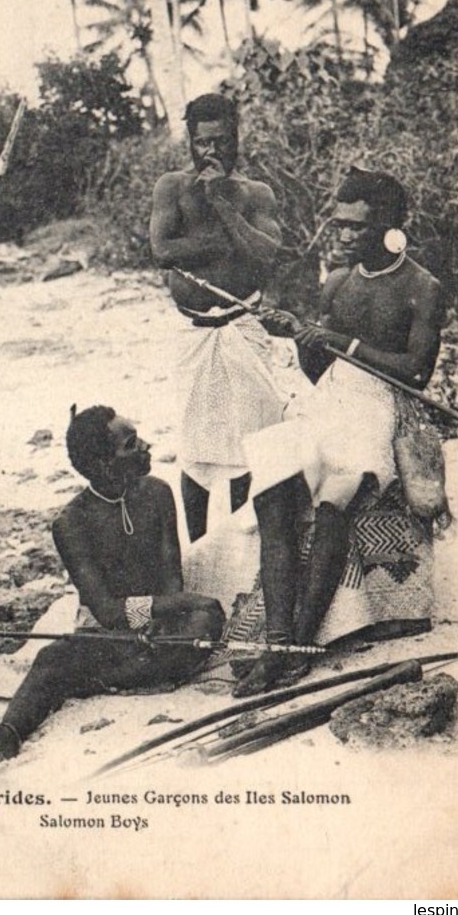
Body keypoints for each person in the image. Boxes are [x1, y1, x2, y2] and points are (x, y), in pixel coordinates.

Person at [235, 167, 444, 694]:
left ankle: (301, 645)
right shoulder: (337, 282)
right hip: (328, 401)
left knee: (334, 503)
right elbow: (316, 370)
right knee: (274, 483)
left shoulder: (423, 287)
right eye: (339, 224)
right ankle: (276, 644)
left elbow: (417, 371)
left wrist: (342, 344)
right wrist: (302, 339)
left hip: (382, 405)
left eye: (356, 227)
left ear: (391, 226)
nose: (343, 234)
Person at [0, 406, 225, 762]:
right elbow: (106, 610)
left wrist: (167, 616)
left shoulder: (158, 492)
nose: (145, 446)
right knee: (52, 658)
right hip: (109, 634)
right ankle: (6, 736)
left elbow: (172, 575)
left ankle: (99, 680)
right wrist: (151, 618)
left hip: (164, 630)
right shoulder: (71, 523)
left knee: (207, 618)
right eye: (131, 444)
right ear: (103, 464)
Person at [149, 92, 298, 573]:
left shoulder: (256, 193)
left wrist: (224, 208)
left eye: (221, 140)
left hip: (243, 328)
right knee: (196, 448)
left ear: (237, 138)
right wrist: (223, 242)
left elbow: (266, 257)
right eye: (201, 142)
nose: (211, 151)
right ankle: (198, 551)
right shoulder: (171, 187)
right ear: (189, 143)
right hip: (196, 333)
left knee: (249, 445)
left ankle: (243, 551)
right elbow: (162, 250)